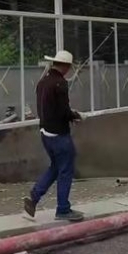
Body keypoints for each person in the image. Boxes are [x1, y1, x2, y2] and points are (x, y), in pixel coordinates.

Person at [23, 49, 84, 222]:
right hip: (59, 135)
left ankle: (34, 197)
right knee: (66, 170)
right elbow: (63, 111)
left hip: (45, 132)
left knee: (56, 167)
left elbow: (50, 109)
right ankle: (63, 209)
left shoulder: (43, 82)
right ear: (65, 66)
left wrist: (69, 115)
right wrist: (76, 116)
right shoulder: (60, 83)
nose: (69, 70)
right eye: (69, 67)